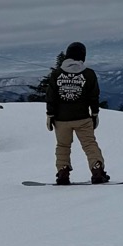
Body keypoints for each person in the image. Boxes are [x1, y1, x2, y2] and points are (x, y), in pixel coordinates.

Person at [44, 41, 108, 184]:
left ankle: (62, 172)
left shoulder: (56, 74)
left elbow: (51, 96)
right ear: (82, 56)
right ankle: (97, 169)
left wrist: (50, 114)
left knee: (63, 146)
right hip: (83, 118)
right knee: (89, 144)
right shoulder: (89, 74)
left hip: (61, 120)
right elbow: (94, 96)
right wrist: (95, 113)